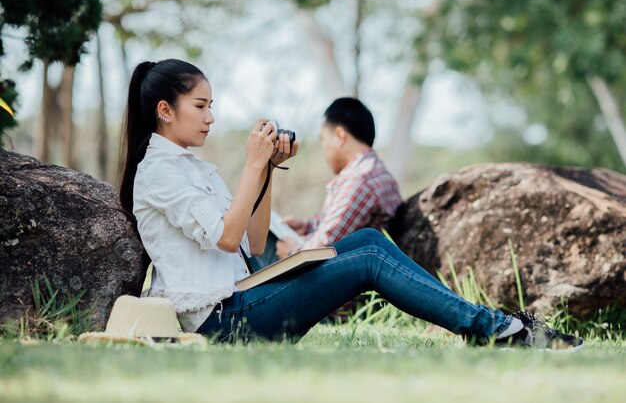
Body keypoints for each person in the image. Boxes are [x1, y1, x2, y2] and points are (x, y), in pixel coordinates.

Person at [119, 58, 584, 351]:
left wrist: (265, 172)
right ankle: (496, 331)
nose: (211, 116)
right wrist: (249, 165)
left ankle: (492, 328)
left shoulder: (194, 168)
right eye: (201, 106)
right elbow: (224, 238)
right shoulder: (158, 171)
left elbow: (252, 239)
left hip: (243, 300)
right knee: (368, 256)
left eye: (211, 105)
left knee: (366, 242)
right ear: (165, 110)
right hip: (220, 324)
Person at [265, 97, 402, 263]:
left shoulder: (362, 180)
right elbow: (341, 225)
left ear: (340, 136)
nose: (323, 149)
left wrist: (290, 252)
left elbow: (323, 249)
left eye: (323, 139)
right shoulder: (370, 171)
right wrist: (306, 226)